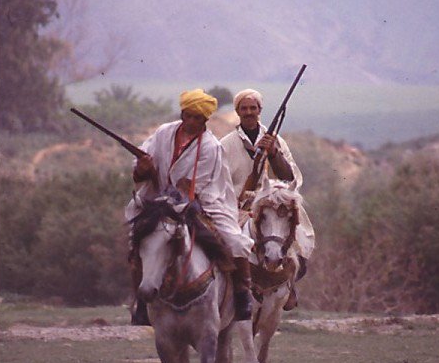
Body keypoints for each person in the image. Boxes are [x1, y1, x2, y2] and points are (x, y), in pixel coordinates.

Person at [125, 88, 254, 325]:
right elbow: (142, 162)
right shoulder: (164, 133)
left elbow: (198, 188)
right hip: (159, 199)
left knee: (235, 240)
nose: (191, 121)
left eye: (197, 118)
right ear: (182, 114)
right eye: (188, 115)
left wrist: (173, 197)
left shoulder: (210, 147)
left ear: (205, 120)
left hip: (203, 202)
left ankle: (242, 291)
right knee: (138, 236)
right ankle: (140, 300)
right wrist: (142, 169)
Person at [219, 88, 315, 309]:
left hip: (273, 202)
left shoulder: (276, 141)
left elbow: (290, 177)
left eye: (253, 108)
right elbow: (221, 181)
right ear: (238, 112)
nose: (249, 112)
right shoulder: (226, 144)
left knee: (299, 234)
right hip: (237, 205)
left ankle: (290, 283)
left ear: (260, 110)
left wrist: (273, 153)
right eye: (244, 108)